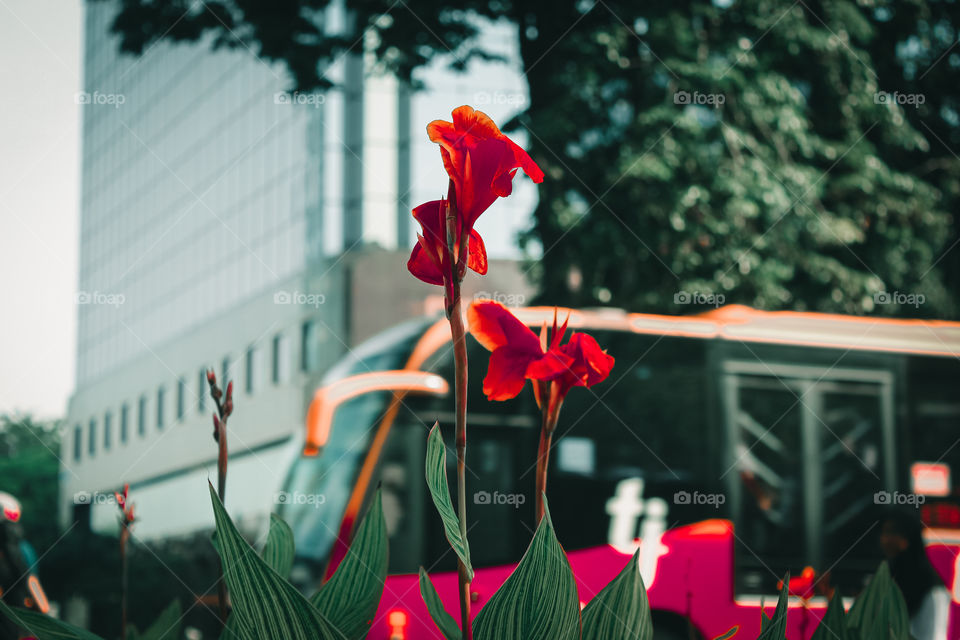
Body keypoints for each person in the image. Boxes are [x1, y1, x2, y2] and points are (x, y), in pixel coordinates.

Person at [879, 509, 949, 640]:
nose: (884, 539)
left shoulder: (930, 588)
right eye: (884, 533)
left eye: (891, 532)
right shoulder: (894, 573)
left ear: (906, 538)